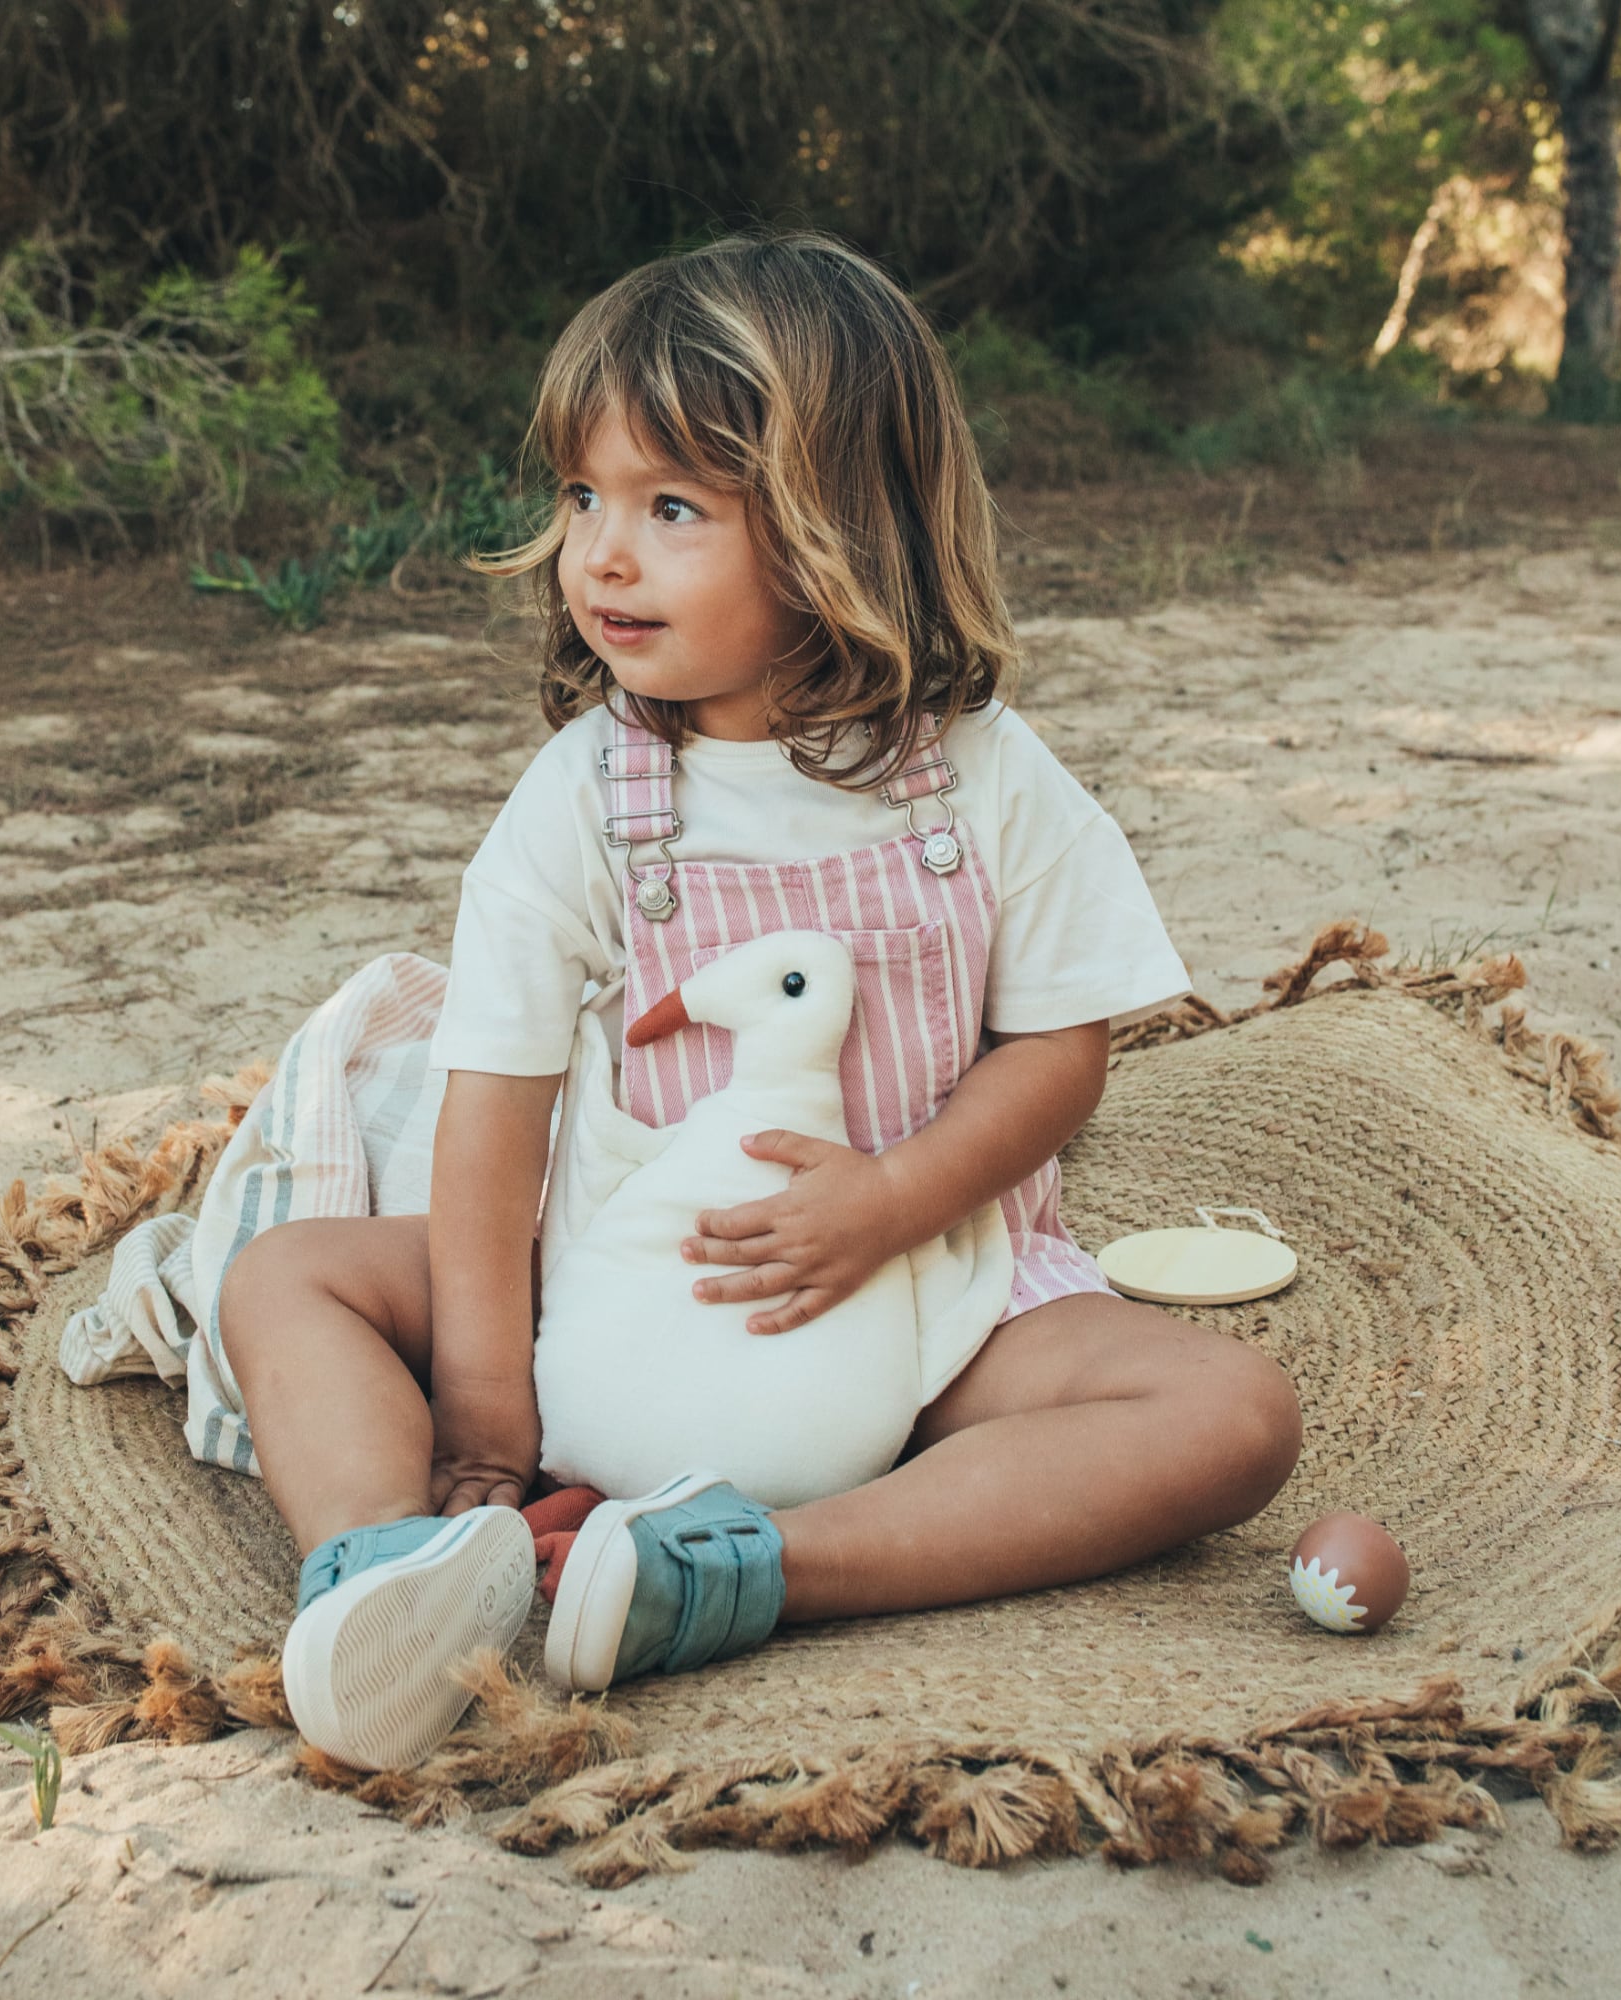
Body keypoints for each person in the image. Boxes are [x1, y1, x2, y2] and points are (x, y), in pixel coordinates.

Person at [219, 231, 1303, 1771]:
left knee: (1230, 1415)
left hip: (931, 1293)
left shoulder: (984, 780)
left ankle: (752, 1571)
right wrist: (485, 1415)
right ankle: (389, 1566)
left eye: (672, 509)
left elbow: (1060, 1051)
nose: (599, 554)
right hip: (607, 1272)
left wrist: (889, 1203)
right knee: (290, 1279)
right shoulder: (584, 796)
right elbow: (497, 1104)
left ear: (839, 528)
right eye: (583, 497)